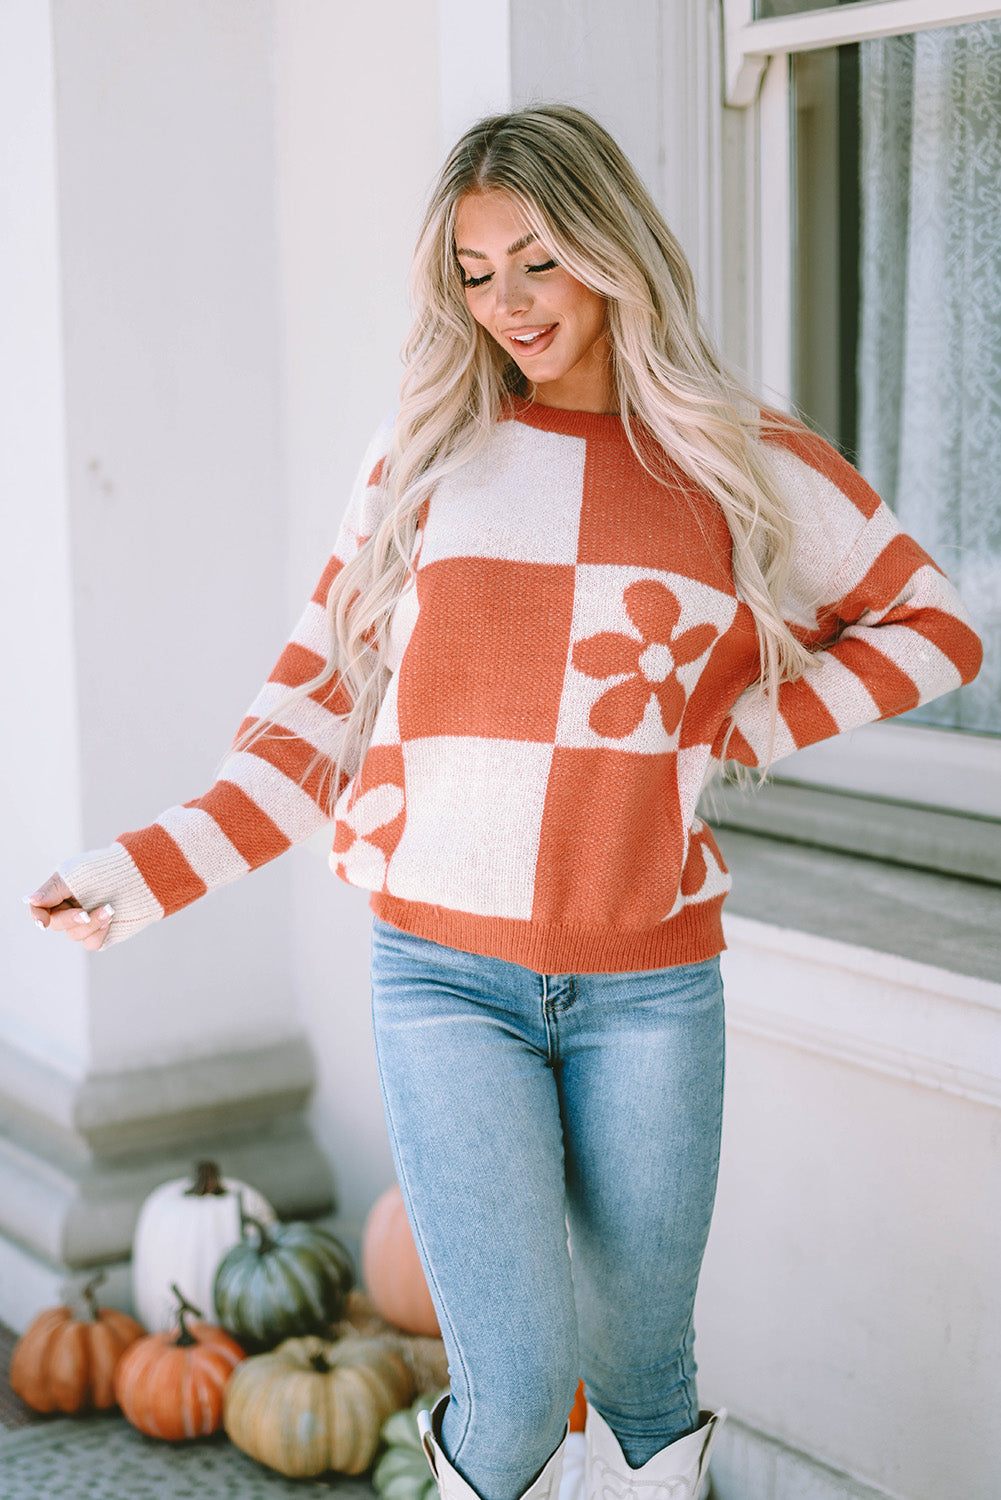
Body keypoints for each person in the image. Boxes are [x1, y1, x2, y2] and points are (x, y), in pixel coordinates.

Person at [25, 105, 982, 1500]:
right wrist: (141, 870)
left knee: (649, 1387)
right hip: (445, 981)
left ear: (611, 248)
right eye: (475, 274)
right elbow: (311, 713)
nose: (507, 305)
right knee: (520, 1388)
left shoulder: (733, 455)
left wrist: (748, 719)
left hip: (651, 987)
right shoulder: (427, 457)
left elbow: (932, 625)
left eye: (535, 260)